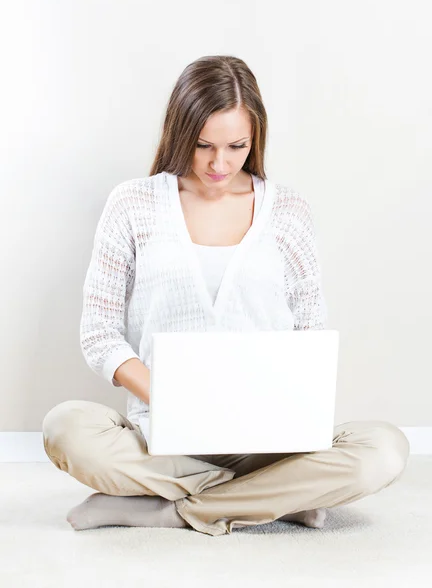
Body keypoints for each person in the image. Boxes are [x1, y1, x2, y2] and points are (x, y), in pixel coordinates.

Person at [42, 55, 410, 537]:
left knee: (384, 449)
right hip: (164, 434)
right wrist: (173, 399)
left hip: (269, 436)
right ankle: (279, 496)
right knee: (64, 427)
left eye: (236, 146)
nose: (220, 163)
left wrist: (283, 404)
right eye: (202, 146)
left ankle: (171, 508)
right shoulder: (133, 204)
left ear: (256, 137)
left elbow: (308, 331)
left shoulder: (289, 211)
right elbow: (99, 334)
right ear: (181, 133)